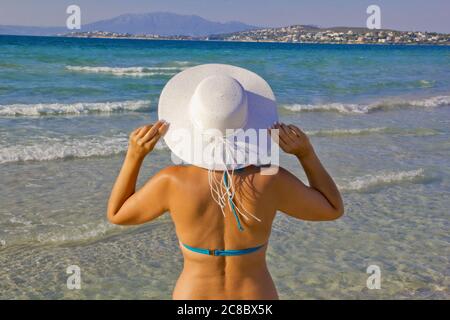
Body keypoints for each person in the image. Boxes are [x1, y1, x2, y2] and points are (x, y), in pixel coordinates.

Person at [107, 64, 343, 300]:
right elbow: (332, 209)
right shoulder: (271, 180)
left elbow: (118, 214)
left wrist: (134, 156)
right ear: (248, 122)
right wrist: (306, 154)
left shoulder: (172, 182)